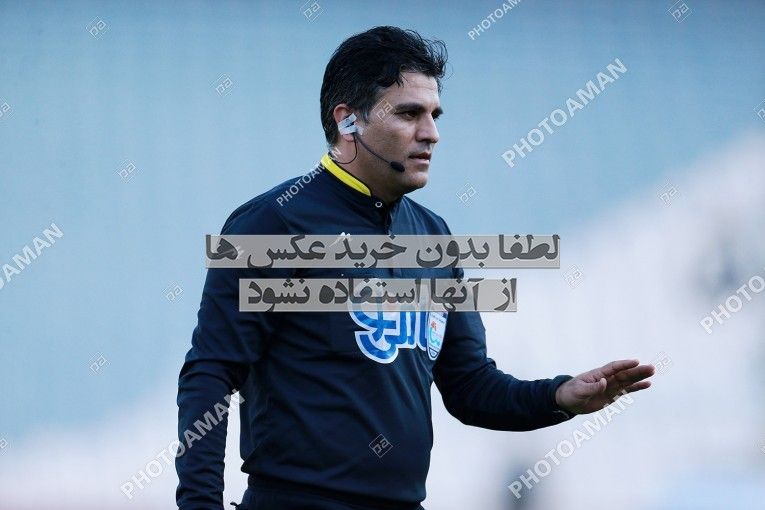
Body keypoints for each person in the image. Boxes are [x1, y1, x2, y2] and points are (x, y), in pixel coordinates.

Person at [175, 26, 654, 510]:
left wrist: (559, 397)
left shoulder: (433, 238)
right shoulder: (272, 223)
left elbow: (469, 387)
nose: (431, 133)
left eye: (434, 115)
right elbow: (210, 374)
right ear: (348, 121)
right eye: (409, 113)